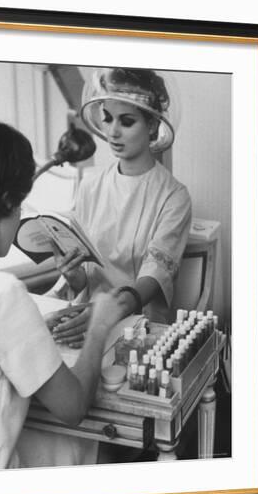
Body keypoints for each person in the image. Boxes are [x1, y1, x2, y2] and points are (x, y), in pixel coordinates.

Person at [0, 118, 124, 471]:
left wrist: (33, 326)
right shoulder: (1, 293)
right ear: (9, 202)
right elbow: (72, 407)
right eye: (21, 201)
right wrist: (99, 325)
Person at [51, 67, 192, 348]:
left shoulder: (174, 197)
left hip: (138, 328)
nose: (113, 131)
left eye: (126, 121)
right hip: (86, 319)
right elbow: (85, 278)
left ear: (152, 125)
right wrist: (72, 273)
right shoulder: (91, 186)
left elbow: (154, 276)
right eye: (107, 118)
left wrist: (107, 313)